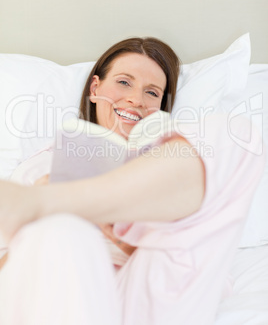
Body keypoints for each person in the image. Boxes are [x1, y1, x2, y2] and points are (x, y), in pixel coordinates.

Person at [0, 37, 265, 325]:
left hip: (146, 294)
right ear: (95, 88)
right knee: (65, 231)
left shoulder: (179, 167)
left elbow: (208, 271)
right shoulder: (42, 164)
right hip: (66, 293)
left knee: (240, 134)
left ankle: (56, 203)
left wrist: (130, 240)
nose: (136, 99)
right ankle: (57, 209)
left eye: (152, 92)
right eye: (124, 82)